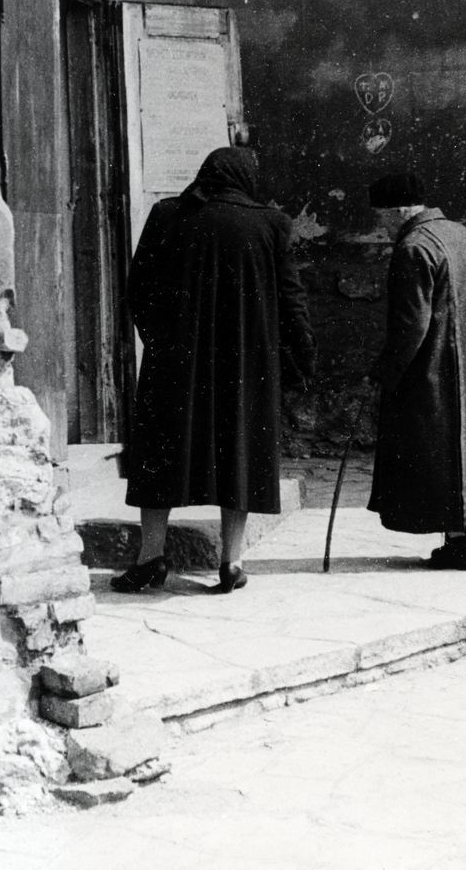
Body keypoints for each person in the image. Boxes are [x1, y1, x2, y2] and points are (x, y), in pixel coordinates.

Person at [113, 146, 315, 595]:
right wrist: (302, 355)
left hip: (175, 362)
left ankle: (150, 558)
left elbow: (138, 289)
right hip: (246, 364)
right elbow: (291, 301)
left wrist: (160, 339)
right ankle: (231, 562)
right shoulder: (271, 224)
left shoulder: (168, 215)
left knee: (161, 453)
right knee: (237, 452)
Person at [365, 170, 466, 570]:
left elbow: (411, 325)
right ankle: (461, 539)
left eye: (382, 216)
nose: (381, 226)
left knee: (437, 450)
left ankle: (460, 544)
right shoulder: (465, 236)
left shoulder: (413, 247)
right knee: (465, 447)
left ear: (400, 210)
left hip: (433, 369)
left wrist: (385, 373)